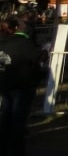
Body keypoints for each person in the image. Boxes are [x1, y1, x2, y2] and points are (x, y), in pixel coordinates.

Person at [0, 13, 47, 156]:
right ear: (16, 28)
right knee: (17, 119)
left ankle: (5, 146)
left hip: (5, 86)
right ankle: (16, 149)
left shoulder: (4, 42)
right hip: (20, 86)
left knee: (5, 117)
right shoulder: (23, 43)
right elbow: (40, 56)